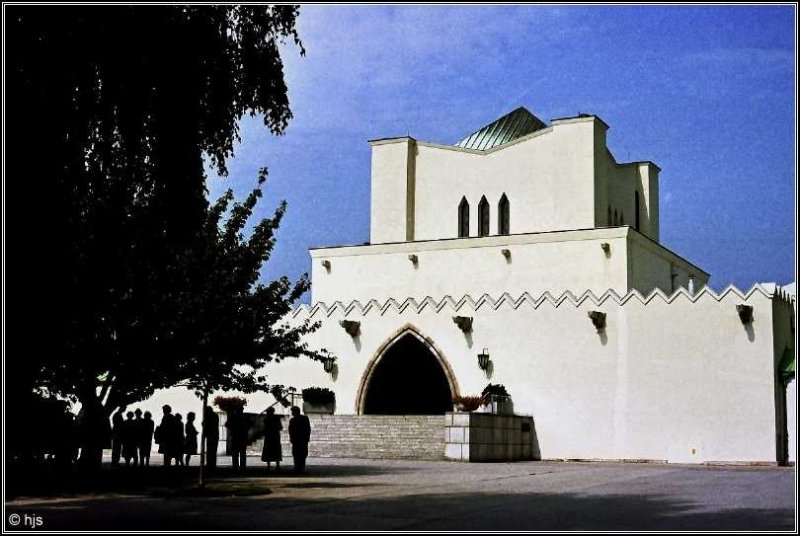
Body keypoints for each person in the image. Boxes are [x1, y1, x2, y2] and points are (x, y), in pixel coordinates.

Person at [225, 407, 250, 471]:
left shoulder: (233, 417)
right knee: (242, 453)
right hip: (242, 437)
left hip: (235, 437)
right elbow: (249, 426)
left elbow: (227, 424)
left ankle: (236, 467)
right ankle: (242, 467)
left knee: (236, 453)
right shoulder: (244, 418)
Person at [288, 406, 311, 473]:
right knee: (295, 453)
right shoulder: (292, 420)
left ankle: (301, 467)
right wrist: (291, 438)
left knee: (303, 454)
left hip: (302, 439)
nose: (292, 413)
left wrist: (307, 437)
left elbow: (308, 429)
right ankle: (296, 467)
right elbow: (290, 430)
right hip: (295, 440)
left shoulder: (304, 419)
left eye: (293, 411)